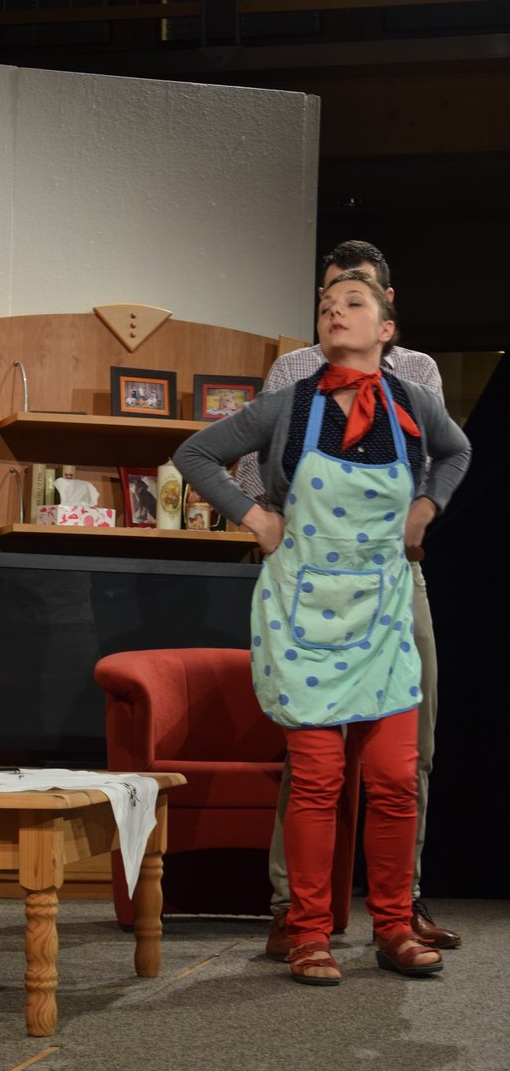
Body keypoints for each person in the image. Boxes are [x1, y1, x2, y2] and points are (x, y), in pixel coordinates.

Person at [174, 269, 470, 985]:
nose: (335, 310)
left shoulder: (414, 402)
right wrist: (255, 518)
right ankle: (308, 933)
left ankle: (393, 927)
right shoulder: (287, 405)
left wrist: (425, 509)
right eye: (327, 305)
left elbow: (457, 452)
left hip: (383, 613)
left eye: (353, 303)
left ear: (386, 330)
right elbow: (196, 454)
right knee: (317, 781)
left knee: (395, 779)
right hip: (304, 612)